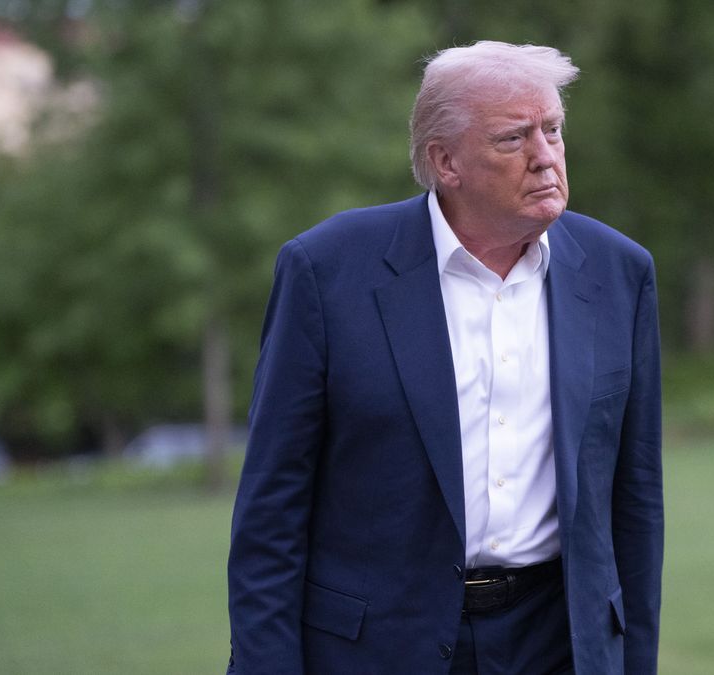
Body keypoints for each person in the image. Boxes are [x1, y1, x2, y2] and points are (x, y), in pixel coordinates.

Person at [226, 41, 663, 675]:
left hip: (560, 640)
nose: (546, 157)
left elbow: (636, 499)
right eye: (514, 139)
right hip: (378, 647)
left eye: (554, 131)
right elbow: (272, 509)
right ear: (446, 162)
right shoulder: (327, 270)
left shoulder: (619, 272)